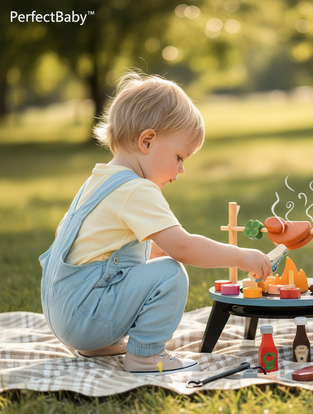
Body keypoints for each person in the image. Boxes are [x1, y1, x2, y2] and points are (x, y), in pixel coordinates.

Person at [39, 71, 272, 375]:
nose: (182, 169)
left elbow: (66, 236)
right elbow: (184, 247)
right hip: (86, 318)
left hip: (62, 313)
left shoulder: (97, 181)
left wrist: (144, 256)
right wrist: (241, 256)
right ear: (147, 141)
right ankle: (145, 357)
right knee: (171, 274)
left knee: (157, 261)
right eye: (179, 156)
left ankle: (97, 345)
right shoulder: (137, 189)